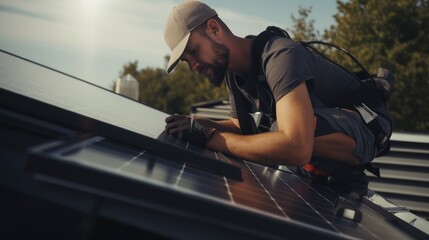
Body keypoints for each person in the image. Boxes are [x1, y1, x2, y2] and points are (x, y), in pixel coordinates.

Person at [162, 1, 393, 196]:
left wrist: (211, 138)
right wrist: (196, 124)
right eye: (185, 61)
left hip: (368, 124)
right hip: (324, 126)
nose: (192, 66)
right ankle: (335, 171)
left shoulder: (279, 55)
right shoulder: (233, 75)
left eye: (193, 51)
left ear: (214, 29)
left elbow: (297, 148)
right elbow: (240, 127)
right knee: (270, 136)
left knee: (280, 133)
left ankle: (343, 169)